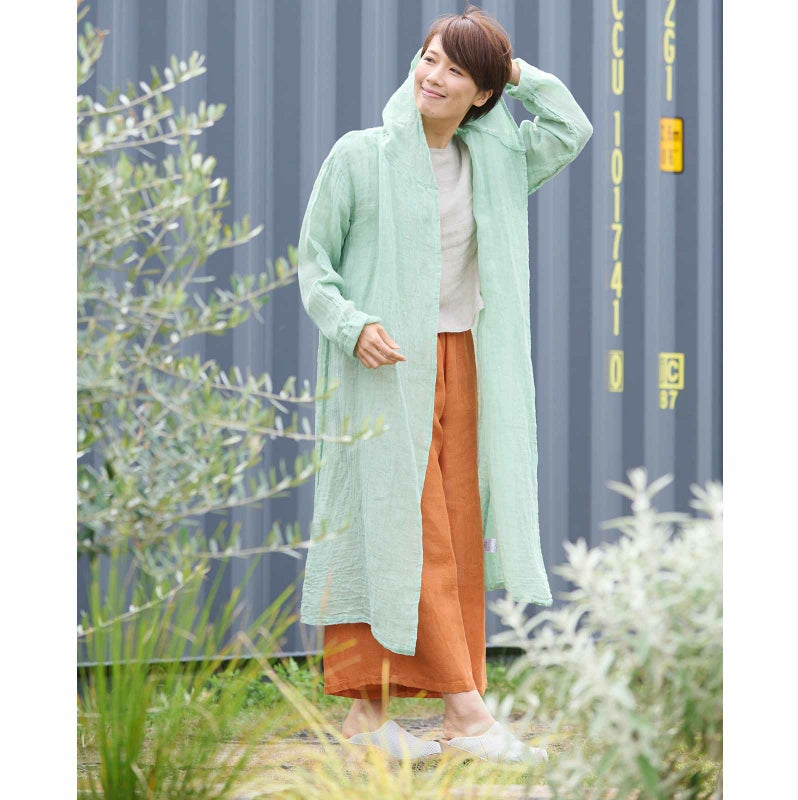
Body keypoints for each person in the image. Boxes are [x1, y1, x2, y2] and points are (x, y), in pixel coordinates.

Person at [297, 3, 592, 763]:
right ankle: (468, 715)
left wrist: (515, 70)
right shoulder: (361, 156)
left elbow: (570, 128)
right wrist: (352, 324)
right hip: (385, 367)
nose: (433, 76)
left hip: (462, 361)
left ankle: (369, 721)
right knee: (397, 526)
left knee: (454, 534)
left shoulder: (495, 161)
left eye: (456, 70)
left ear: (483, 93)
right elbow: (314, 264)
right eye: (429, 57)